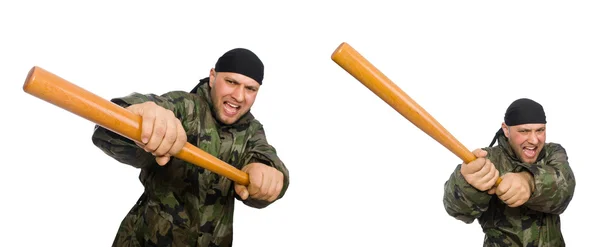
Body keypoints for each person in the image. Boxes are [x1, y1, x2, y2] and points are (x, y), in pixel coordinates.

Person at [91, 48, 290, 246]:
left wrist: (269, 173)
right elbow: (114, 126)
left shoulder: (252, 131)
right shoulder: (186, 107)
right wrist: (140, 114)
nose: (239, 96)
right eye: (231, 82)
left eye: (250, 88)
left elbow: (265, 157)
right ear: (212, 77)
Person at [442, 98, 576, 246]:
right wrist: (467, 183)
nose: (534, 140)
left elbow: (565, 187)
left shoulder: (552, 153)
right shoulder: (487, 160)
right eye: (524, 131)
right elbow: (458, 211)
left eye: (540, 130)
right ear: (506, 130)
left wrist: (529, 181)